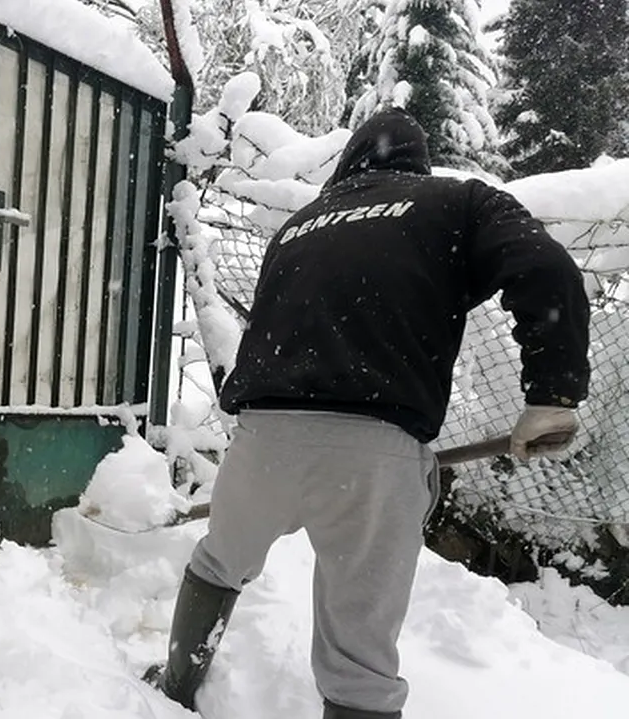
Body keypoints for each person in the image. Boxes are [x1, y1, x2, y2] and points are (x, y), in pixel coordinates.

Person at [144, 106, 591, 718]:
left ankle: (175, 686)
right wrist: (552, 395)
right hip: (375, 450)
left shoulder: (301, 223)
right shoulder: (456, 204)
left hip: (264, 435)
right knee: (359, 656)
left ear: (350, 163)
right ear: (416, 164)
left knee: (220, 562)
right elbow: (545, 268)